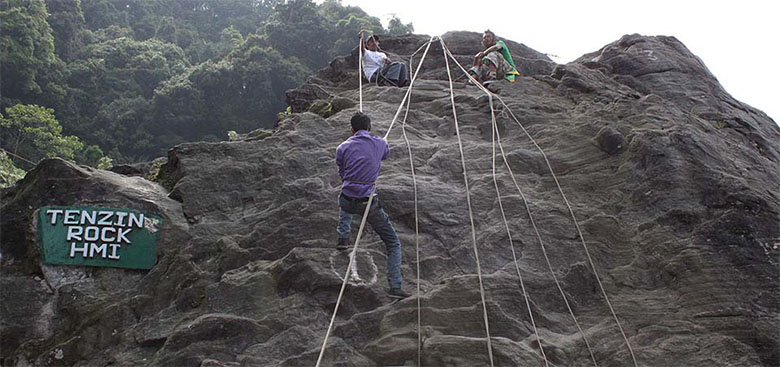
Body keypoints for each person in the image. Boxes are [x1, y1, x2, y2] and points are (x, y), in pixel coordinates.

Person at [335, 112, 410, 299]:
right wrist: (381, 144)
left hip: (347, 199)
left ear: (352, 130)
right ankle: (395, 286)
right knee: (393, 243)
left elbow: (342, 172)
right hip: (367, 202)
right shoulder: (379, 144)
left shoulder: (342, 147)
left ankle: (343, 238)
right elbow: (386, 155)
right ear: (369, 127)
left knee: (346, 200)